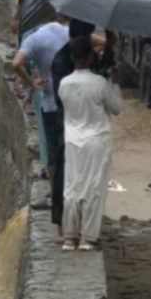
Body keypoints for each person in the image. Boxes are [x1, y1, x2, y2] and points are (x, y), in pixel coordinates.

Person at [58, 38, 121, 251]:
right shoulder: (100, 83)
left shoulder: (64, 83)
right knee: (94, 187)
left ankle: (69, 236)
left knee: (72, 186)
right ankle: (88, 237)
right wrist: (115, 83)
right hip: (97, 141)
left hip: (72, 140)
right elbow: (116, 108)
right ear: (90, 57)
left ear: (72, 57)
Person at [13, 16, 70, 186]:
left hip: (51, 105)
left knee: (53, 153)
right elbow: (101, 43)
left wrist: (31, 84)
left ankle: (55, 195)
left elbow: (16, 64)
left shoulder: (35, 38)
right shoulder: (72, 34)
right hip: (73, 104)